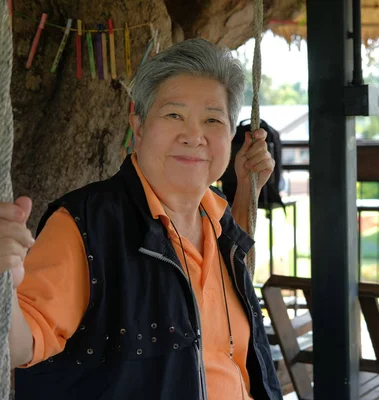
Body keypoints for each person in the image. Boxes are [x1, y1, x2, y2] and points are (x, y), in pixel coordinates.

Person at [0, 38, 283, 399]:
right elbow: (20, 345)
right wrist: (2, 282)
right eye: (174, 115)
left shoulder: (218, 218)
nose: (194, 136)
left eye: (212, 119)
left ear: (230, 134)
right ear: (138, 120)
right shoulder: (85, 226)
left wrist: (246, 190)